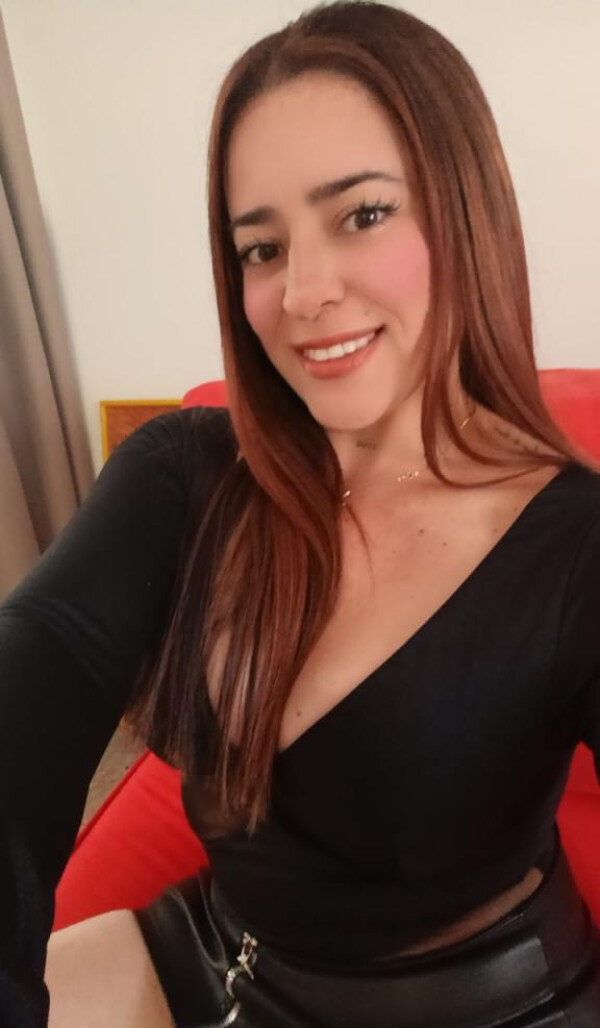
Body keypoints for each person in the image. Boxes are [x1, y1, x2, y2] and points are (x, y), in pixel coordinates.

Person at [1, 1, 600, 1025]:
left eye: (361, 214)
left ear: (465, 213)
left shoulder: (576, 546)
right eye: (261, 248)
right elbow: (37, 659)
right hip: (221, 947)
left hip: (465, 1001)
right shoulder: (186, 470)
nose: (302, 291)